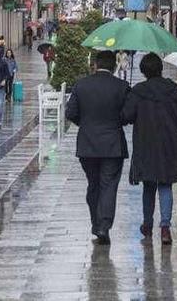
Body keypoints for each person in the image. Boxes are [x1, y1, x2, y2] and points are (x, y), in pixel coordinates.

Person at [123, 53, 177, 245]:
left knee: (149, 185)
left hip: (146, 143)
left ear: (143, 71)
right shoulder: (173, 90)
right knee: (165, 184)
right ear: (160, 68)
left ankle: (147, 223)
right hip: (169, 143)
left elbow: (126, 115)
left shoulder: (139, 91)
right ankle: (165, 227)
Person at [66, 51, 131, 245]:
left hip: (87, 144)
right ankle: (103, 226)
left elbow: (71, 112)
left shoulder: (81, 85)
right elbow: (127, 115)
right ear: (114, 66)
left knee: (93, 184)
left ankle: (96, 223)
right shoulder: (122, 87)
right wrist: (115, 122)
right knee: (108, 186)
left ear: (95, 64)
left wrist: (86, 124)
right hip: (112, 145)